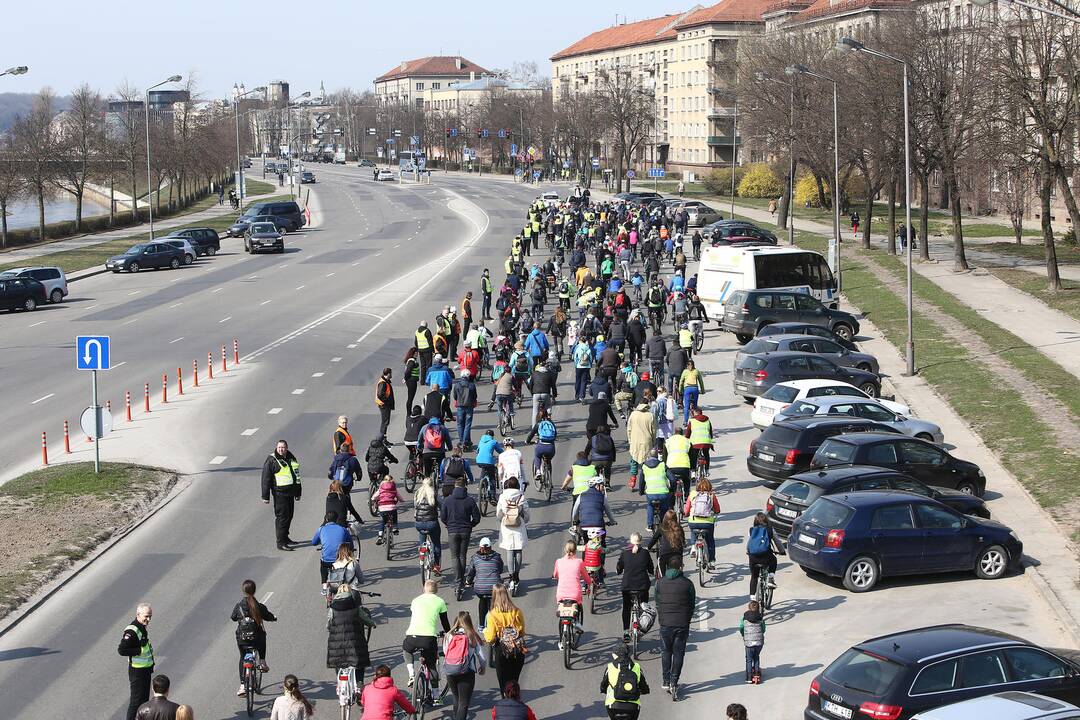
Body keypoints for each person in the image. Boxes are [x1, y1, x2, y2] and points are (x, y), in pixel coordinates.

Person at [655, 556, 695, 700]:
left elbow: (657, 602)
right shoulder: (687, 583)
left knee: (666, 651)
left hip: (665, 623)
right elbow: (692, 604)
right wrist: (687, 619)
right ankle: (674, 681)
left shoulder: (659, 583)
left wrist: (662, 617)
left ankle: (665, 680)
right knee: (678, 653)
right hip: (682, 624)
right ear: (680, 567)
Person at [403, 580, 452, 693]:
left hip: (412, 636)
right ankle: (435, 695)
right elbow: (445, 622)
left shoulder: (415, 600)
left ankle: (411, 674)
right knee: (431, 666)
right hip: (429, 639)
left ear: (424, 588)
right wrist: (449, 634)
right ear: (436, 590)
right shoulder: (440, 601)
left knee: (406, 650)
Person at [231, 579, 276, 695]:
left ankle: (242, 686)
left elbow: (233, 617)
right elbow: (268, 616)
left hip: (242, 639)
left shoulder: (239, 606)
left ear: (243, 590)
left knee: (242, 657)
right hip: (256, 639)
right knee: (263, 636)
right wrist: (273, 618)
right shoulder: (258, 606)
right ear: (254, 590)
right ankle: (262, 662)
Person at [327, 581, 372, 687]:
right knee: (360, 661)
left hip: (337, 643)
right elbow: (366, 619)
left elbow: (328, 624)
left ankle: (339, 681)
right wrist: (372, 624)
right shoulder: (356, 608)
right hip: (354, 641)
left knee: (338, 662)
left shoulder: (332, 609)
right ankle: (359, 683)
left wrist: (331, 629)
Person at [484, 584, 527, 694]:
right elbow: (522, 631)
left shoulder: (492, 615)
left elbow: (490, 638)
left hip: (502, 650)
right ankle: (515, 698)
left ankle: (506, 701)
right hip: (517, 649)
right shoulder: (517, 611)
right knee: (514, 680)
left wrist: (485, 633)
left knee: (503, 681)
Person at [443, 611, 486, 720]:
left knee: (456, 698)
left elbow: (445, 652)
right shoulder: (471, 635)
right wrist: (482, 666)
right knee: (464, 702)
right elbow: (481, 655)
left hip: (450, 671)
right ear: (469, 622)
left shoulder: (449, 635)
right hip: (467, 671)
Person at [261, 439, 302, 551]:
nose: (281, 449)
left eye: (283, 447)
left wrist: (298, 493)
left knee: (289, 516)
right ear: (276, 448)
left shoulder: (291, 458)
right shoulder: (272, 460)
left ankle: (285, 537)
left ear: (286, 448)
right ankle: (281, 542)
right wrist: (265, 496)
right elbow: (266, 479)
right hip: (279, 494)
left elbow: (296, 477)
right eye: (279, 447)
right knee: (282, 518)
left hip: (290, 493)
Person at [441, 477, 481, 589]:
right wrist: (471, 525)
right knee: (462, 556)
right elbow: (477, 518)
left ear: (455, 486)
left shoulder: (448, 500)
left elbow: (443, 517)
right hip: (465, 531)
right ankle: (462, 580)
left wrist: (448, 524)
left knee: (454, 557)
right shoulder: (470, 500)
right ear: (465, 487)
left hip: (452, 531)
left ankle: (458, 581)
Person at [118, 603, 155, 720]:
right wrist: (138, 650)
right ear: (138, 615)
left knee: (144, 702)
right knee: (136, 702)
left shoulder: (141, 627)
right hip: (137, 672)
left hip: (145, 670)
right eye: (146, 616)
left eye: (150, 616)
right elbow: (122, 650)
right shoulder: (132, 630)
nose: (148, 619)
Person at [616, 533, 654, 642]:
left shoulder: (624, 553)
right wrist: (650, 572)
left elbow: (619, 568)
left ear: (630, 541)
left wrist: (619, 570)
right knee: (643, 607)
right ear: (641, 541)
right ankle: (641, 625)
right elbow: (650, 568)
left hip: (627, 586)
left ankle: (625, 632)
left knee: (626, 608)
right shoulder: (645, 553)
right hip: (642, 586)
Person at [496, 477, 530, 595]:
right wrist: (523, 520)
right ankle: (516, 575)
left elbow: (499, 513)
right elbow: (526, 513)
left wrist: (503, 520)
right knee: (518, 550)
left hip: (506, 526)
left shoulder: (502, 496)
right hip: (519, 524)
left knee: (510, 551)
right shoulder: (521, 496)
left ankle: (511, 577)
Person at [553, 540, 591, 644]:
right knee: (577, 605)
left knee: (562, 617)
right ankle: (576, 622)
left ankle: (561, 641)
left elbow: (555, 575)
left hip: (561, 594)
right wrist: (589, 583)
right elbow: (586, 578)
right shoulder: (579, 562)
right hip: (575, 593)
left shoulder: (559, 561)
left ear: (565, 550)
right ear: (575, 551)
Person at [600, 643, 651, 720]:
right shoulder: (637, 667)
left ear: (615, 655)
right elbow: (643, 686)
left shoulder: (610, 667)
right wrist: (645, 691)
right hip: (633, 706)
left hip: (613, 705)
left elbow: (603, 685)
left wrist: (603, 690)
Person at [684, 478, 721, 568]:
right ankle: (711, 561)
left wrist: (686, 514)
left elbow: (687, 509)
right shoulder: (711, 495)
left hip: (694, 521)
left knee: (693, 531)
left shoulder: (692, 494)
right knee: (710, 541)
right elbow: (717, 509)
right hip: (707, 523)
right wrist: (715, 512)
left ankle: (693, 546)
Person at [466, 537, 504, 623]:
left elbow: (470, 572)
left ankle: (481, 624)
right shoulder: (497, 557)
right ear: (491, 547)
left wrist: (468, 581)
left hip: (480, 588)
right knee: (495, 602)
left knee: (482, 600)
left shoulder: (475, 558)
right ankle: (496, 623)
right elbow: (500, 570)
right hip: (494, 587)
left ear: (480, 547)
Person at [312, 511, 352, 585]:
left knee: (323, 566)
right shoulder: (343, 529)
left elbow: (313, 542)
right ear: (337, 520)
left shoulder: (321, 529)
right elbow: (350, 544)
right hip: (340, 560)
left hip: (326, 561)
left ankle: (324, 584)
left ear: (326, 519)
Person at [415, 476, 443, 573]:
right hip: (432, 523)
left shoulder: (418, 494)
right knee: (436, 544)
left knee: (422, 541)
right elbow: (442, 506)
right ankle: (437, 565)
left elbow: (415, 507)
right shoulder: (434, 495)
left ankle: (422, 552)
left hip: (419, 524)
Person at [747, 512, 778, 598]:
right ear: (766, 520)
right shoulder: (769, 529)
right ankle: (771, 579)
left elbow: (749, 543)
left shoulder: (751, 530)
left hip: (753, 558)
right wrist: (782, 551)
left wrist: (748, 552)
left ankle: (752, 598)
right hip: (766, 557)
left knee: (754, 576)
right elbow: (777, 542)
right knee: (774, 559)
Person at [627, 404, 656, 488]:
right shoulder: (650, 415)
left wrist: (630, 440)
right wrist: (654, 441)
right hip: (647, 441)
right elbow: (653, 430)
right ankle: (646, 479)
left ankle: (633, 480)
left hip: (635, 441)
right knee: (646, 461)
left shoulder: (633, 414)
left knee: (634, 460)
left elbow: (629, 429)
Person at [740, 600, 766, 684]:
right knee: (756, 656)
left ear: (749, 608)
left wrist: (743, 634)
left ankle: (748, 677)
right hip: (759, 642)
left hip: (749, 642)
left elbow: (741, 628)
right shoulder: (760, 618)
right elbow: (763, 629)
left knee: (749, 659)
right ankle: (756, 672)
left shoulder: (744, 619)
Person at [374, 477, 404, 545]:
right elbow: (399, 497)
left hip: (382, 508)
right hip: (391, 507)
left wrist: (373, 499)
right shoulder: (393, 487)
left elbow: (374, 496)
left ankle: (380, 536)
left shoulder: (381, 488)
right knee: (394, 515)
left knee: (383, 521)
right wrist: (402, 500)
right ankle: (395, 528)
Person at [685, 407, 714, 477]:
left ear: (695, 413)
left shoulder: (692, 420)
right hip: (706, 442)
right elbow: (710, 433)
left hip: (695, 443)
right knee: (706, 454)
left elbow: (688, 433)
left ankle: (693, 472)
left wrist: (686, 438)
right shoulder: (707, 420)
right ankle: (707, 470)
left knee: (693, 456)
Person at [678, 360, 705, 424]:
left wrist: (680, 390)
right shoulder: (696, 371)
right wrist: (703, 391)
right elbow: (701, 382)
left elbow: (681, 381)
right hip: (695, 389)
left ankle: (685, 421)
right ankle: (696, 419)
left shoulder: (685, 372)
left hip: (687, 389)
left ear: (687, 366)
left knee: (686, 406)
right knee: (695, 405)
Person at [375, 368, 395, 437]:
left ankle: (383, 438)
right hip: (384, 405)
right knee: (385, 422)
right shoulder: (383, 383)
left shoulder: (385, 381)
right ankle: (381, 439)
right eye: (391, 373)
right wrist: (387, 401)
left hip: (384, 405)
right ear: (388, 374)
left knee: (386, 422)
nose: (392, 374)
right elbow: (380, 394)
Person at [403, 348, 421, 412]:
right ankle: (409, 412)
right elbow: (408, 371)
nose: (417, 354)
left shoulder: (412, 360)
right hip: (411, 381)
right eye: (416, 353)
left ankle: (409, 411)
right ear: (412, 353)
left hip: (411, 381)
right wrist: (405, 378)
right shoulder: (412, 361)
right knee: (410, 398)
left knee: (410, 398)